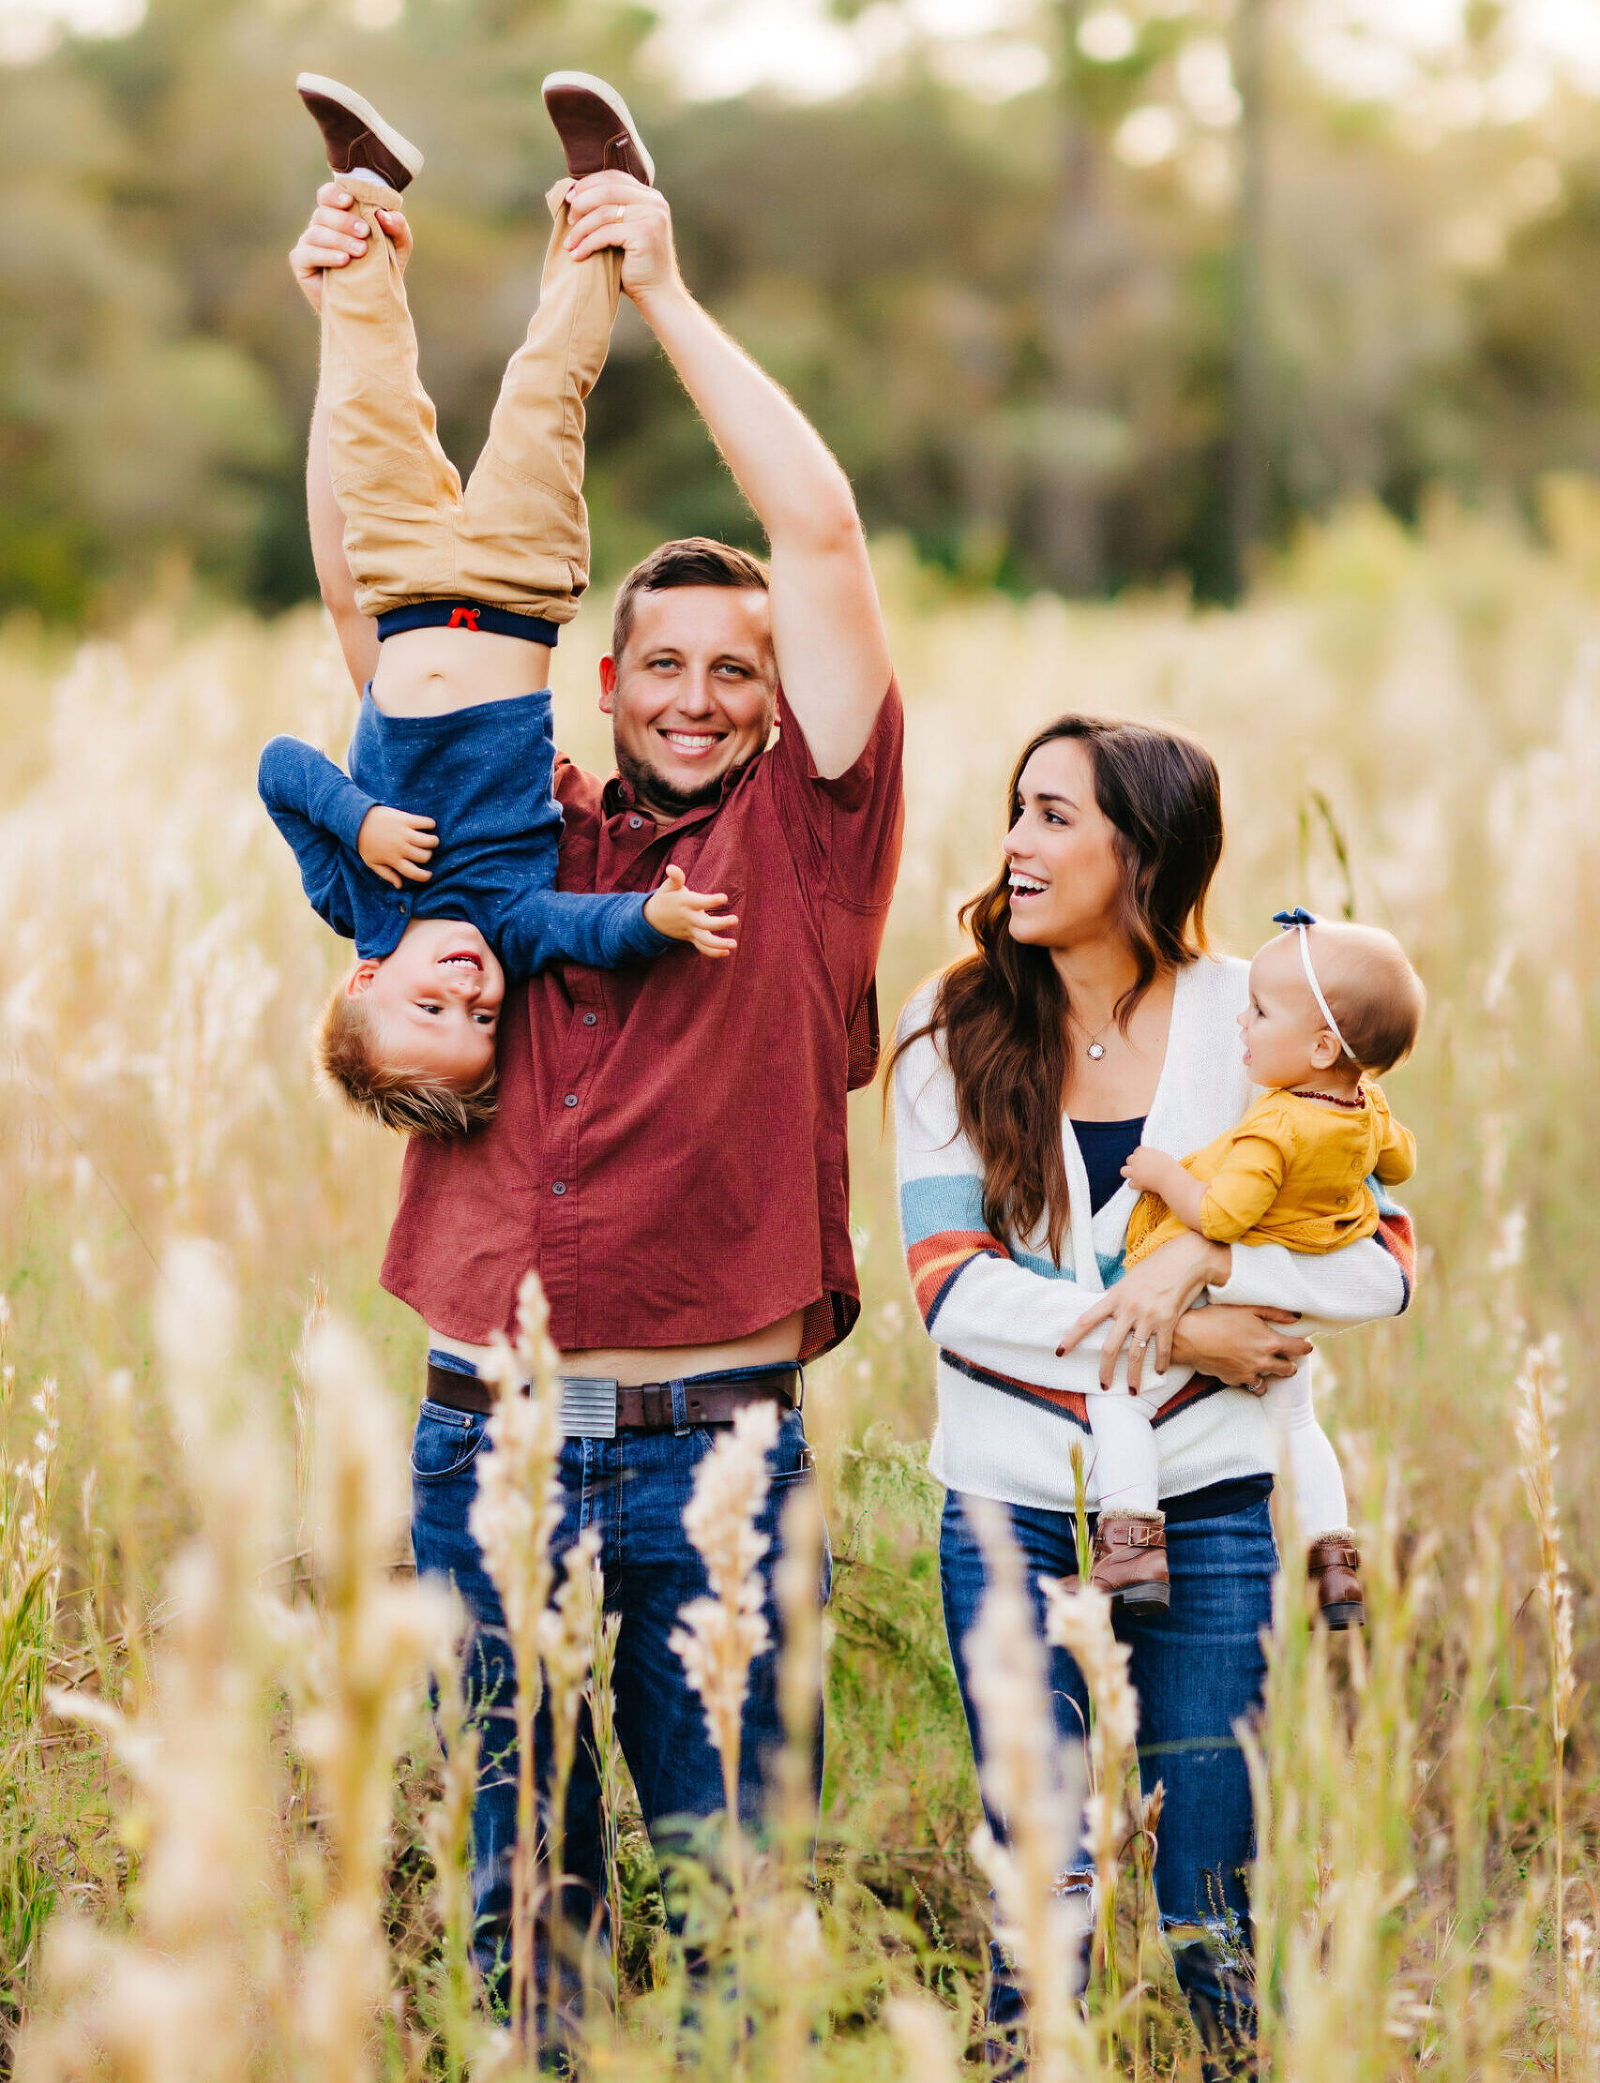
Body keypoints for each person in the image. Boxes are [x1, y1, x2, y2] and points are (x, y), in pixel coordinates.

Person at [288, 101, 902, 2028]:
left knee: (733, 1895)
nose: (705, 695)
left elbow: (819, 531)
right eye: (665, 663)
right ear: (605, 674)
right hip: (490, 1441)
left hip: (715, 1448)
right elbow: (380, 624)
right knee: (522, 1890)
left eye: (739, 667)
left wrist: (663, 287)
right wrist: (345, 320)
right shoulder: (516, 836)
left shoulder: (809, 836)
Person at [888, 715, 1414, 2073]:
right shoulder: (949, 1027)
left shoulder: (1271, 1008)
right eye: (1017, 808)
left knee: (1211, 1898)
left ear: (1145, 852)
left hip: (1219, 1508)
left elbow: (1387, 1259)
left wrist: (1211, 1256)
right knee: (1037, 1892)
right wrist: (1191, 1334)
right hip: (1010, 1511)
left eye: (1056, 815)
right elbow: (951, 1288)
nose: (1015, 840)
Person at [261, 75, 733, 1140]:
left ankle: (370, 190)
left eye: (431, 1005)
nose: (471, 985)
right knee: (541, 386)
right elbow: (588, 927)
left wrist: (361, 818)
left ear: (361, 984)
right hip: (518, 588)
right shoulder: (512, 928)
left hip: (398, 580)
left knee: (369, 398)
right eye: (480, 1015)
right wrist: (654, 919)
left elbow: (283, 769)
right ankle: (603, 198)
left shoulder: (354, 899)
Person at [1074, 906, 1423, 1621]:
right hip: (1287, 1305)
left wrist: (1163, 1173)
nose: (1242, 1021)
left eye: (1260, 1012)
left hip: (1209, 1299)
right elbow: (1402, 1160)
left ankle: (1132, 1543)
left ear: (1323, 1046)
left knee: (1117, 1398)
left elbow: (1220, 1217)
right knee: (1299, 1424)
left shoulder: (1274, 1128)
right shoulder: (1366, 1109)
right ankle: (1334, 1561)